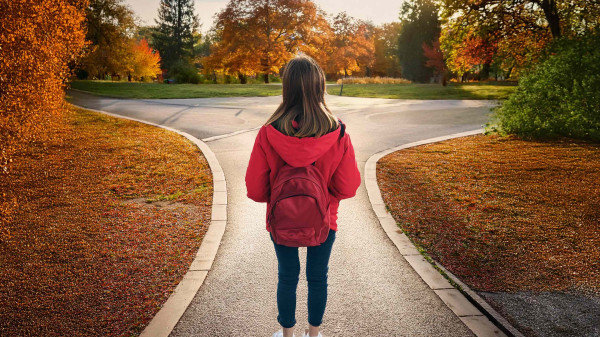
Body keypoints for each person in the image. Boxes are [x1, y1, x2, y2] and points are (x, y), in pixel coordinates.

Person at [245, 54, 361, 337]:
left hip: (282, 219)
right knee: (317, 277)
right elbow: (348, 187)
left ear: (287, 88)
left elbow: (255, 188)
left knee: (287, 276)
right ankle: (314, 333)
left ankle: (287, 335)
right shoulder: (337, 131)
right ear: (319, 86)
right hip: (324, 219)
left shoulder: (268, 132)